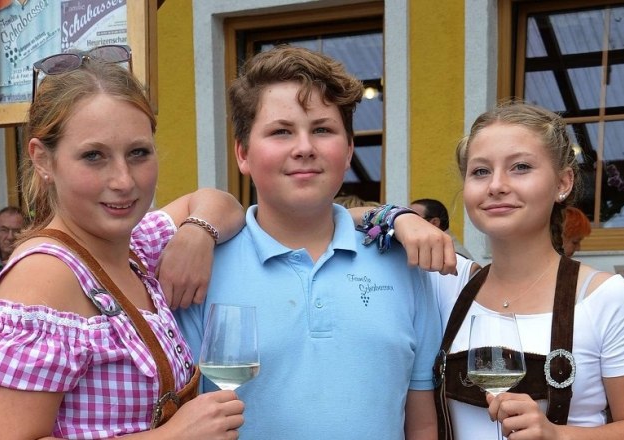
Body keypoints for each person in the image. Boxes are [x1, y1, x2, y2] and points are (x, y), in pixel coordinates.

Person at [0, 47, 247, 439]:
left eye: (138, 153)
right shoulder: (45, 277)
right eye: (94, 156)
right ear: (43, 160)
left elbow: (223, 204)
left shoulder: (133, 247)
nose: (124, 181)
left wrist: (196, 233)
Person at [175, 45, 444, 440]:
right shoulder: (200, 268)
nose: (304, 147)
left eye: (322, 129)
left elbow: (420, 420)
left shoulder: (401, 264)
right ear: (243, 153)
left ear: (349, 150)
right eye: (281, 131)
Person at [432, 101, 624, 439]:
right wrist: (399, 219)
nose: (496, 185)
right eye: (480, 171)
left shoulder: (605, 297)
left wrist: (558, 436)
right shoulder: (447, 287)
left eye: (521, 167)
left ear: (563, 183)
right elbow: (335, 221)